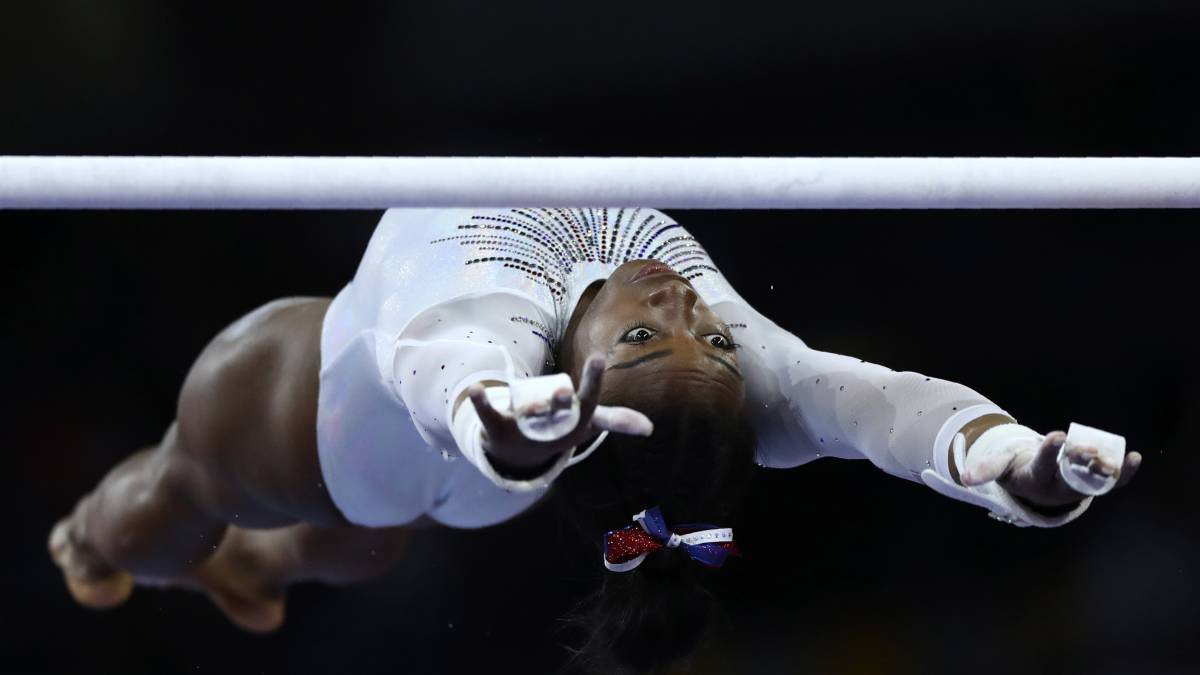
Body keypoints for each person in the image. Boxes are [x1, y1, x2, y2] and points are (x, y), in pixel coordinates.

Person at [48, 208, 1142, 672]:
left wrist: (500, 426)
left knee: (159, 503)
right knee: (367, 538)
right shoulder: (708, 362)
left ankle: (98, 546)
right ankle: (269, 566)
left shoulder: (493, 323)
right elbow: (873, 405)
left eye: (644, 330)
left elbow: (454, 346)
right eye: (701, 327)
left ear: (575, 378)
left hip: (320, 427)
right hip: (483, 475)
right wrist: (1009, 462)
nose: (676, 298)